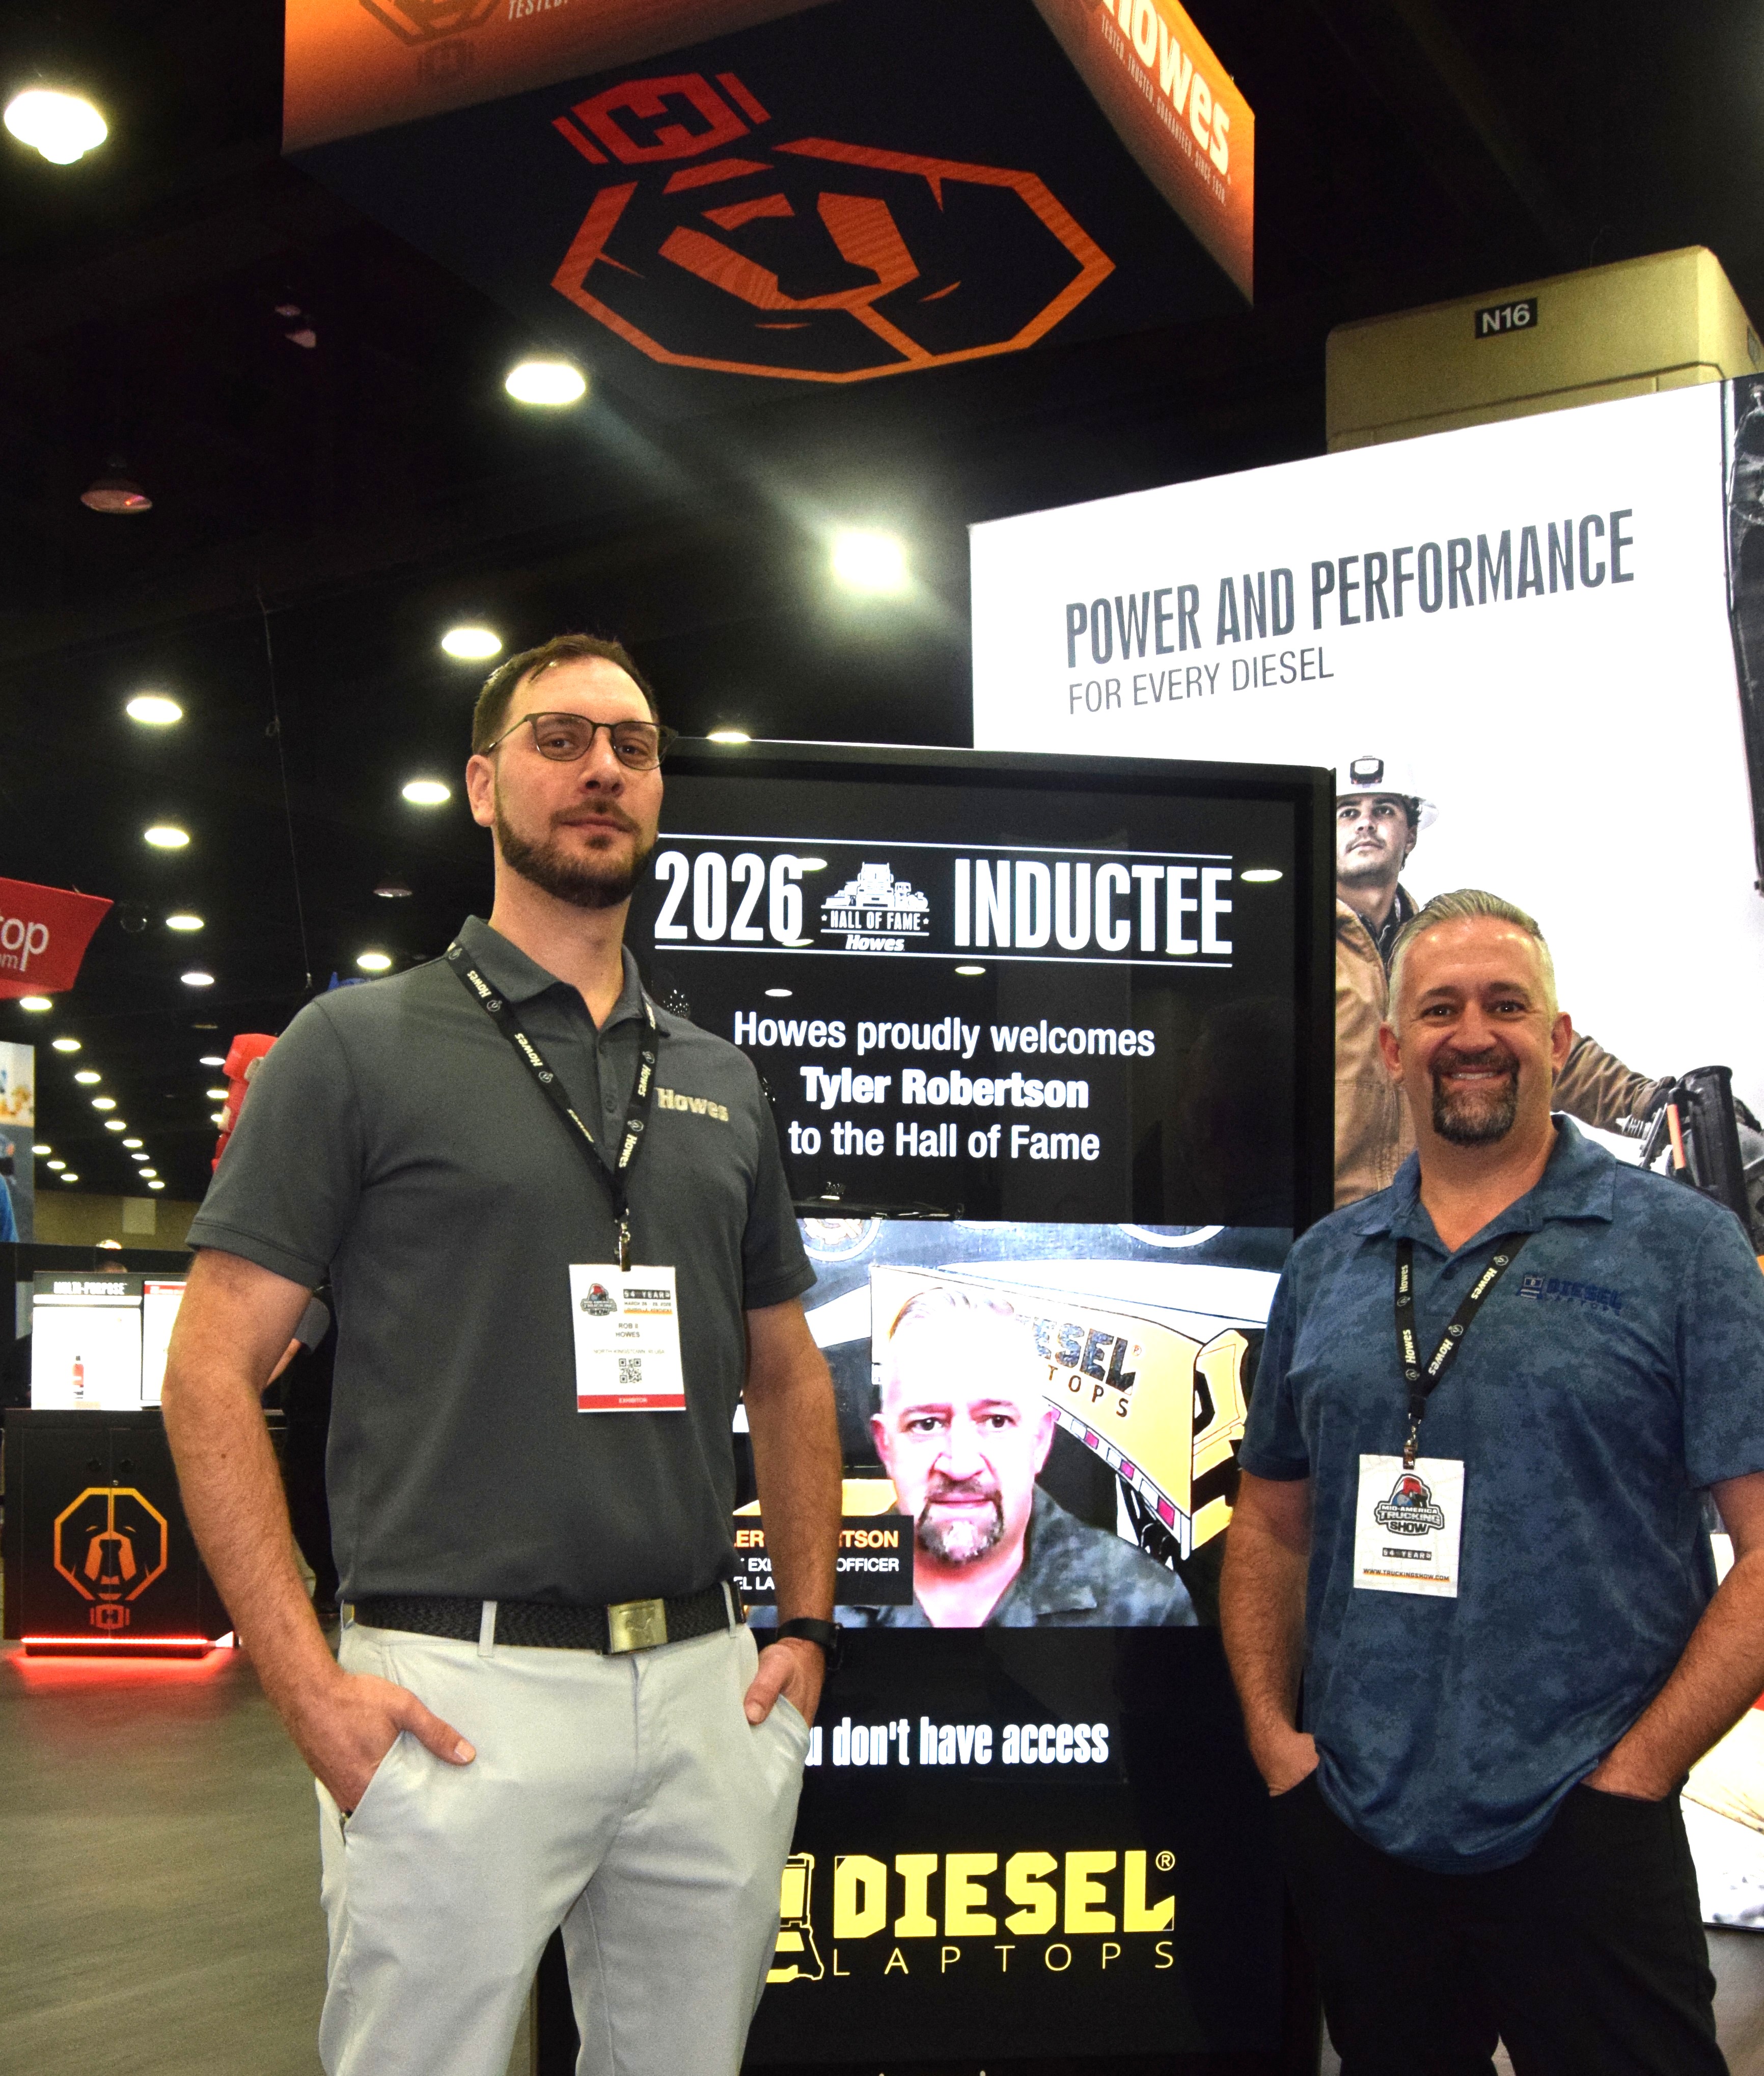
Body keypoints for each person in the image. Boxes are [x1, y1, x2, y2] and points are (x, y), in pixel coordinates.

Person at [161, 631, 843, 2076]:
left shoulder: (718, 1078)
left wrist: (804, 1626)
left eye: (634, 747)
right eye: (559, 737)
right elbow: (210, 1370)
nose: (602, 768)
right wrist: (305, 1682)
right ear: (483, 785)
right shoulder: (353, 1049)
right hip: (451, 1690)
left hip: (705, 1681)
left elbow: (787, 1369)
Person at [1221, 887, 1764, 2075]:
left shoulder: (1677, 1247)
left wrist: (1636, 1772)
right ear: (1391, 1046)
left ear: (1556, 1041)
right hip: (1360, 1821)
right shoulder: (1328, 1262)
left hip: (1587, 1822)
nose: (1472, 1033)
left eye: (1505, 1005)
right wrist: (1276, 1739)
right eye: (1440, 1006)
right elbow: (1266, 1523)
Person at [1332, 753, 1667, 1205]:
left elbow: (1527, 1038)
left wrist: (1648, 1104)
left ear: (1410, 834)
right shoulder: (1292, 946)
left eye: (1384, 810)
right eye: (1349, 811)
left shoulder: (1436, 948)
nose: (1366, 824)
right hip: (1316, 1228)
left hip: (1422, 1222)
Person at [845, 1287, 1196, 1627]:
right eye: (927, 1424)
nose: (961, 1464)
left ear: (1040, 1442)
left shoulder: (1146, 1604)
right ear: (886, 1445)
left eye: (996, 1421)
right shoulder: (816, 1595)